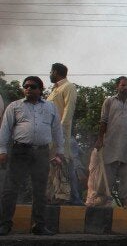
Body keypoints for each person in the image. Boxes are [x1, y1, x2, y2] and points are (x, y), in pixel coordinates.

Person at [0, 76, 64, 235]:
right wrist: (2, 150)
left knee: (40, 190)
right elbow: (5, 129)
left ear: (40, 90)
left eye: (32, 86)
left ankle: (39, 225)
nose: (28, 89)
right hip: (20, 151)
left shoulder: (50, 107)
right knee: (10, 189)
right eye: (26, 86)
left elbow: (57, 130)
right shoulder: (15, 106)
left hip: (42, 152)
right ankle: (5, 224)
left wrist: (60, 151)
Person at [94, 76, 127, 207]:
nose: (125, 88)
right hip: (111, 141)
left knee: (126, 170)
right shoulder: (109, 101)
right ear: (117, 86)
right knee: (107, 169)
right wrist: (100, 139)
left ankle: (126, 197)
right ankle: (101, 196)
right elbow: (103, 121)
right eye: (123, 85)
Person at [46, 63, 81, 205]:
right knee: (52, 166)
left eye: (50, 71)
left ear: (56, 72)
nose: (49, 74)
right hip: (49, 136)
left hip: (60, 135)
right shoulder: (54, 91)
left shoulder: (69, 87)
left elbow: (68, 111)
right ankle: (52, 196)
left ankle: (64, 196)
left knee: (62, 164)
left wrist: (60, 132)